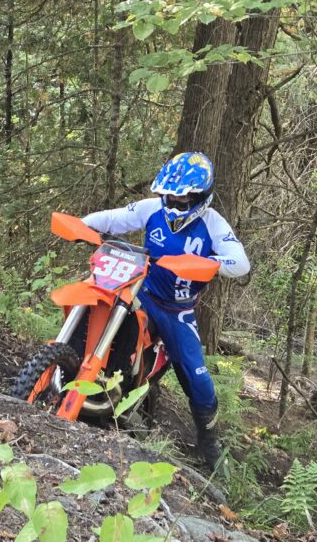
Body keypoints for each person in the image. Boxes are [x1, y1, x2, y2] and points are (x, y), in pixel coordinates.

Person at [82, 152, 250, 470]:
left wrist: (213, 264)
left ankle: (208, 442)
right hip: (140, 291)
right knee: (98, 306)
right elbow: (115, 218)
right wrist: (83, 226)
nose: (174, 203)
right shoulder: (151, 209)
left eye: (183, 198)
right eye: (170, 196)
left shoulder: (213, 223)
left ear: (200, 197)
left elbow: (240, 261)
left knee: (198, 381)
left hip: (177, 311)